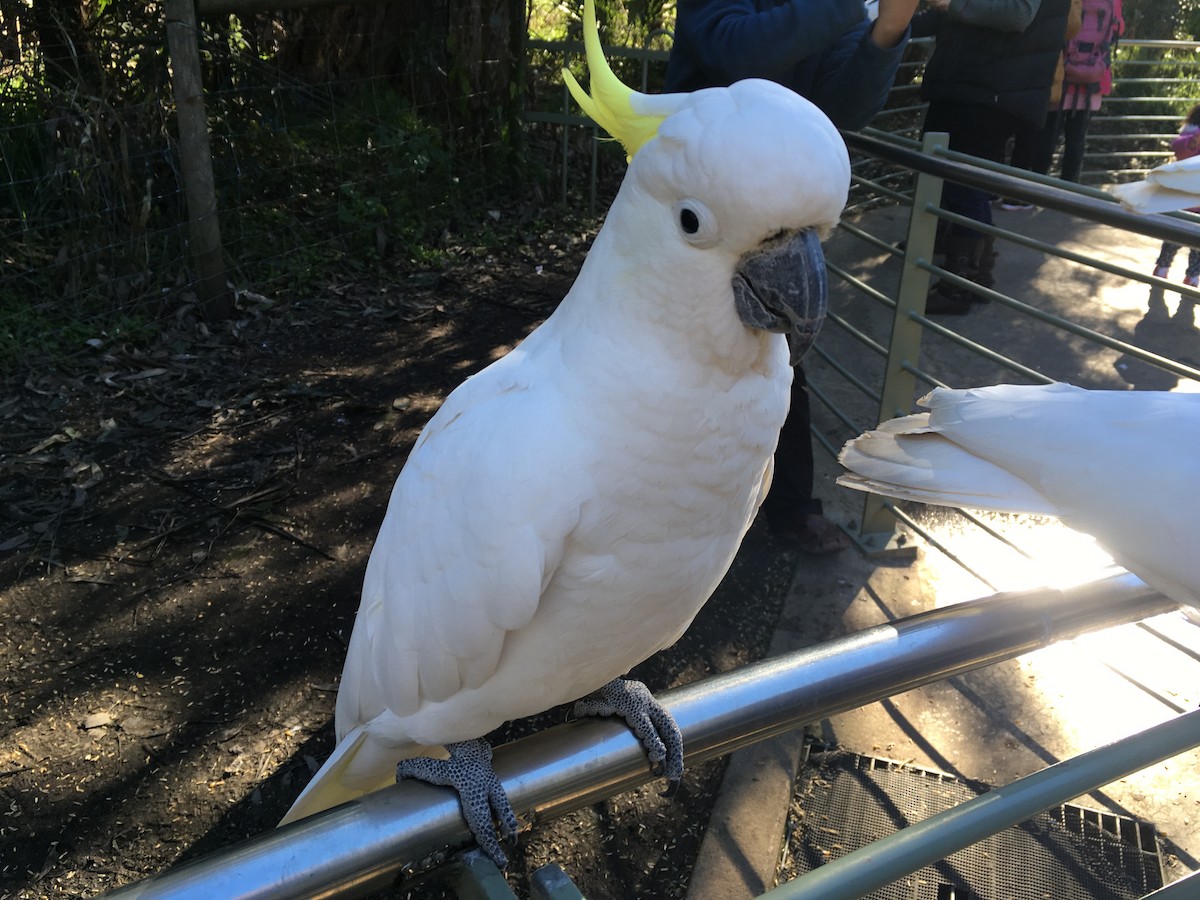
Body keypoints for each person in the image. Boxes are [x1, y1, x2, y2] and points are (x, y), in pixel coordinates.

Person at [664, 0, 918, 553]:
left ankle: (786, 506)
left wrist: (889, 26)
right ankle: (652, 504)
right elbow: (736, 51)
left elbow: (844, 106)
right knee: (661, 361)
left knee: (776, 363)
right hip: (691, 216)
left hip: (772, 219)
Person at [911, 0, 1073, 315]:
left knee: (963, 183)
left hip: (991, 89)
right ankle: (962, 263)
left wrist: (951, 4)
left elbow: (1018, 13)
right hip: (975, 83)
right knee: (951, 179)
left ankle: (964, 283)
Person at [999, 0, 1082, 210]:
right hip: (1039, 71)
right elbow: (1071, 27)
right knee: (1027, 136)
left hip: (1011, 67)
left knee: (1006, 132)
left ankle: (996, 190)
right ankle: (1016, 194)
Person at [1038, 0, 1124, 184]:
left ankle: (1035, 188)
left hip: (1060, 77)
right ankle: (1069, 191)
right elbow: (1118, 29)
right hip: (1091, 83)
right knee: (1076, 142)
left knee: (1046, 139)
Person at [1152, 104, 1200, 289]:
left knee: (1185, 240)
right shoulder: (1191, 137)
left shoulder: (1189, 136)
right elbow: (1181, 148)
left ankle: (1188, 275)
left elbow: (1179, 149)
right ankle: (1168, 269)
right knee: (1178, 237)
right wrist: (1192, 143)